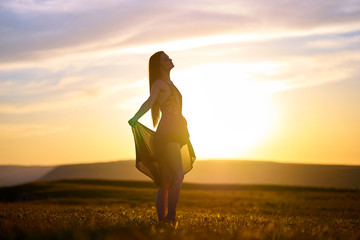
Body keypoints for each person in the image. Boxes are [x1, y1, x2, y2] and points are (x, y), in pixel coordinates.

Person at [128, 51, 195, 222]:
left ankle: (163, 220)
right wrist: (135, 118)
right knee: (178, 175)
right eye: (166, 59)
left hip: (176, 133)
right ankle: (171, 218)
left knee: (165, 180)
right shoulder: (159, 83)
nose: (170, 59)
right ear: (159, 66)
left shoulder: (169, 83)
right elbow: (150, 101)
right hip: (168, 134)